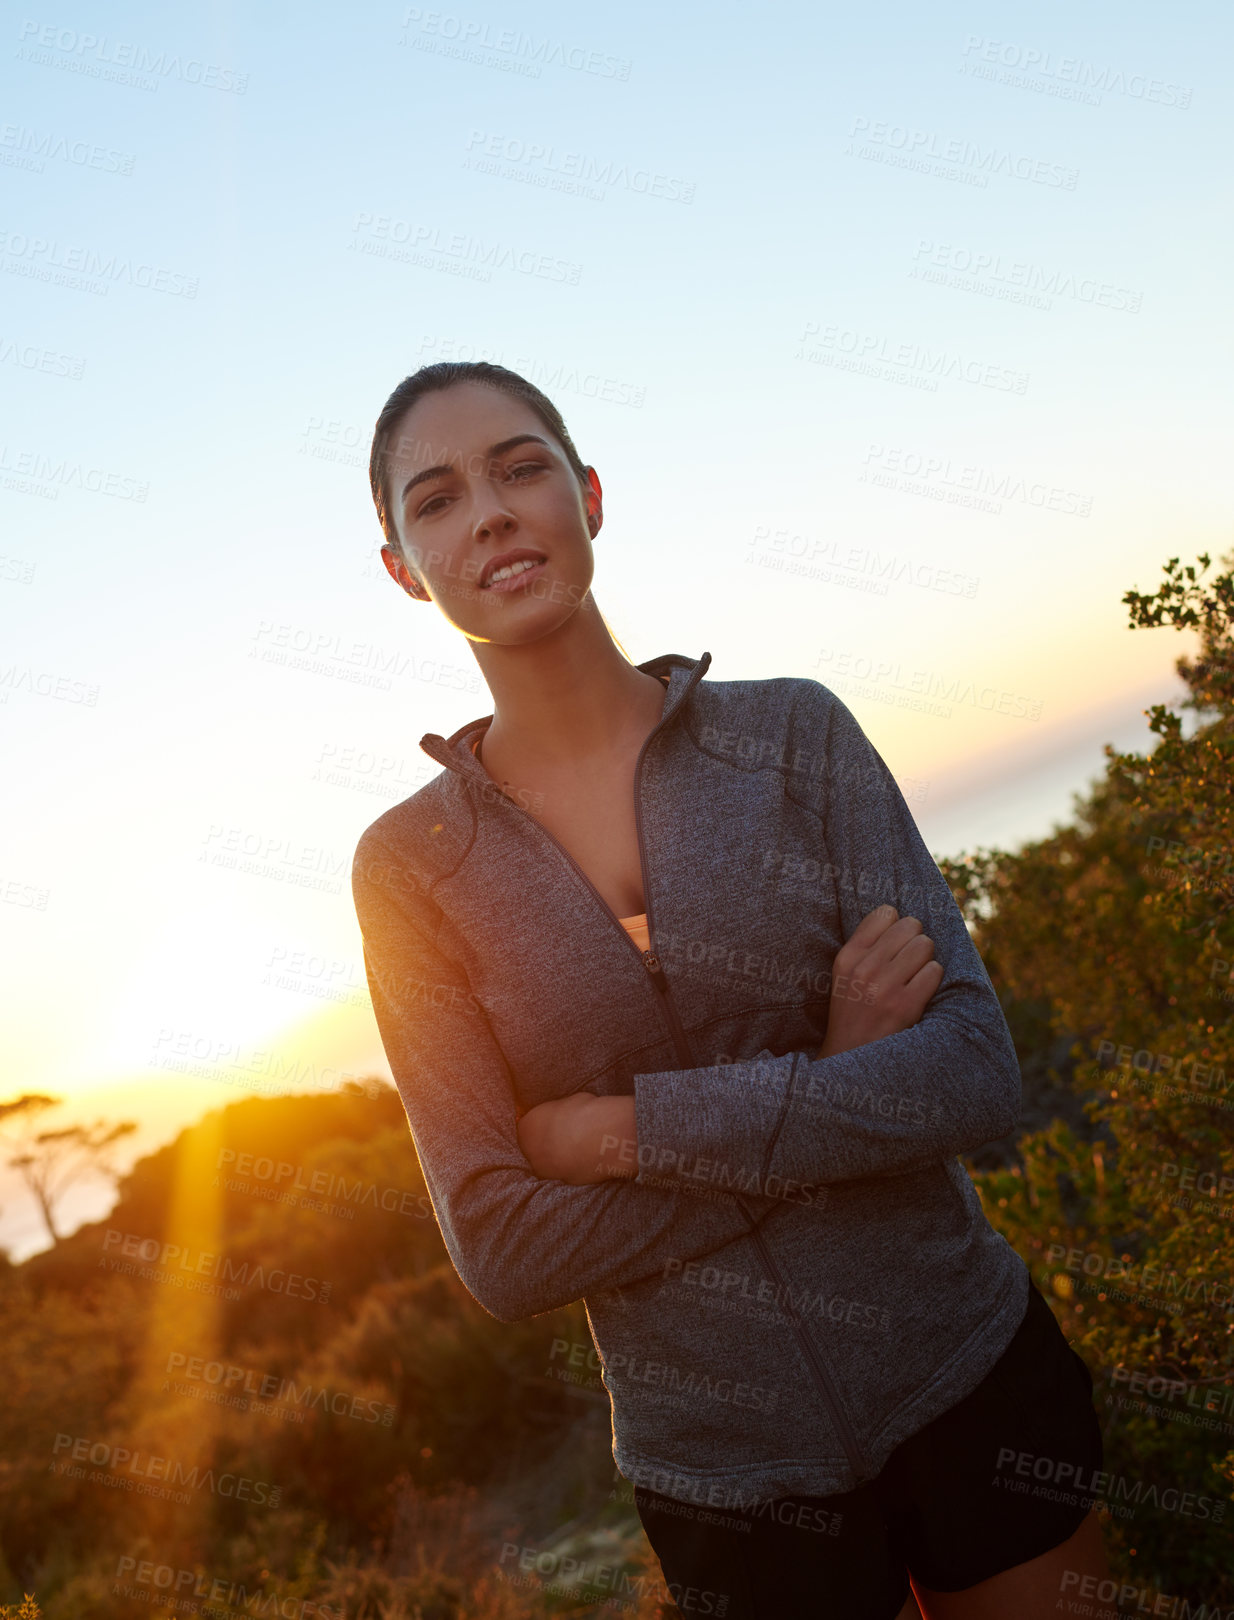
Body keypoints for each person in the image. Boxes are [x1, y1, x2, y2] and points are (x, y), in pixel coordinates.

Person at [351, 361, 1110, 1618]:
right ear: (402, 567)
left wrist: (620, 1134)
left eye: (521, 466)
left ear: (588, 496)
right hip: (728, 1487)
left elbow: (972, 1071)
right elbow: (502, 1246)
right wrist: (833, 1072)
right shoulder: (412, 871)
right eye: (435, 498)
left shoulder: (793, 737)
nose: (488, 511)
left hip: (970, 1374)